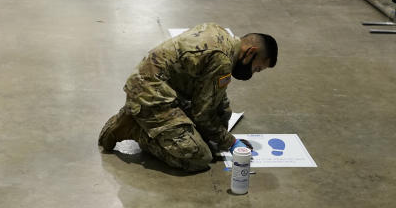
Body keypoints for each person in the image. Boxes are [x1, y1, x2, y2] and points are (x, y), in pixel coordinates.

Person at [98, 23, 278, 171]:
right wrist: (230, 142)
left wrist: (222, 134)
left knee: (220, 116)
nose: (252, 74)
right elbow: (203, 115)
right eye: (256, 68)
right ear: (250, 52)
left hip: (166, 87)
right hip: (150, 95)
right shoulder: (222, 59)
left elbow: (216, 98)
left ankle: (150, 123)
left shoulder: (222, 35)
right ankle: (132, 127)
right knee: (198, 157)